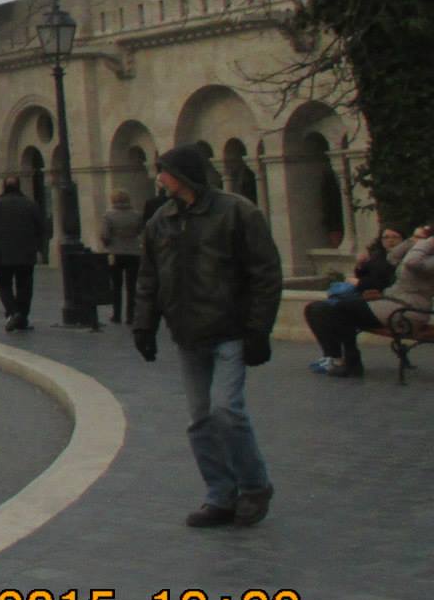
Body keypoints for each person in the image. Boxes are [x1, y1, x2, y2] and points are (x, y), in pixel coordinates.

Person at [132, 144, 283, 528]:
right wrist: (144, 325)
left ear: (182, 175)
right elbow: (149, 277)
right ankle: (220, 494)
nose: (159, 178)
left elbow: (265, 273)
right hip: (188, 333)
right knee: (200, 418)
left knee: (226, 411)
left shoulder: (236, 212)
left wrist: (259, 329)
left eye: (164, 171)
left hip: (230, 328)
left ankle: (254, 486)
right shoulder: (161, 220)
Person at [306, 226, 430, 377]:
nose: (418, 241)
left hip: (408, 311)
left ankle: (351, 363)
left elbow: (413, 263)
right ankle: (341, 360)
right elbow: (392, 257)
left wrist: (427, 243)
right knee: (331, 308)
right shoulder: (417, 254)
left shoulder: (424, 259)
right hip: (392, 304)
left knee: (342, 309)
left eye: (421, 238)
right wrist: (412, 240)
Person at [0, 175, 46, 332]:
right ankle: (22, 318)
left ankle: (13, 312)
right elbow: (41, 228)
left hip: (3, 254)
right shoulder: (30, 204)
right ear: (19, 186)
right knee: (25, 286)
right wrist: (37, 247)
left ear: (4, 187)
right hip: (26, 253)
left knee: (4, 285)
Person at [98, 191, 144, 327]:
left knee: (116, 285)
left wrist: (107, 244)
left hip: (115, 252)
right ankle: (131, 315)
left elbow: (105, 234)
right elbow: (141, 231)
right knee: (132, 286)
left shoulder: (108, 215)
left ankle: (116, 314)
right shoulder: (137, 215)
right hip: (133, 252)